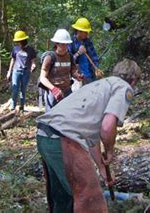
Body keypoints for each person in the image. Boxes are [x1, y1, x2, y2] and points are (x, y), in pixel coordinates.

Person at [36, 59, 141, 213]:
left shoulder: (100, 85)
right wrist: (110, 151)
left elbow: (92, 138)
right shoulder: (124, 88)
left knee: (65, 198)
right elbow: (107, 127)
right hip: (64, 138)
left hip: (45, 135)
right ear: (133, 80)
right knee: (90, 199)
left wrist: (102, 168)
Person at [39, 29, 83, 112]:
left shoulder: (69, 56)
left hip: (67, 91)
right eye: (63, 44)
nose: (65, 46)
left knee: (66, 117)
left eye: (67, 44)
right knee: (51, 119)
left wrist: (77, 76)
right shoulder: (49, 57)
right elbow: (42, 78)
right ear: (56, 43)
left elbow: (73, 71)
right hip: (53, 93)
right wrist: (53, 89)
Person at [6, 30, 37, 112]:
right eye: (17, 42)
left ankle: (22, 107)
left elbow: (33, 61)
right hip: (16, 71)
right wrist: (9, 71)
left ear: (23, 41)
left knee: (23, 90)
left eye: (19, 41)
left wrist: (33, 66)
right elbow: (12, 60)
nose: (17, 43)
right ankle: (13, 107)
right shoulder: (15, 49)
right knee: (15, 89)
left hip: (26, 72)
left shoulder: (30, 50)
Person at [68, 17, 100, 85]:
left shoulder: (88, 42)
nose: (87, 33)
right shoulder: (71, 43)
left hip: (91, 75)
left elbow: (94, 56)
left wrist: (97, 68)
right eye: (85, 32)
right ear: (78, 31)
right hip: (78, 77)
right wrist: (78, 53)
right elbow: (68, 61)